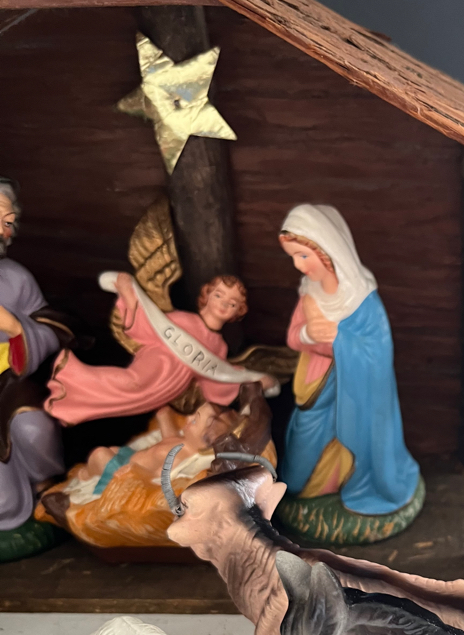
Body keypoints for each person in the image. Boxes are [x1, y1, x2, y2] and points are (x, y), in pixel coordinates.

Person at [278, 204, 420, 517]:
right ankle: (309, 488)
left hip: (355, 397)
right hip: (313, 393)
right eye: (293, 257)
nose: (299, 266)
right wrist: (308, 334)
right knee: (296, 475)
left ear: (326, 251)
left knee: (351, 443)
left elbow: (378, 351)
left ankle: (353, 482)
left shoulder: (361, 299)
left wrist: (338, 340)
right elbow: (293, 337)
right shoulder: (309, 293)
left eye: (303, 256)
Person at [45, 273, 278, 425]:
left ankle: (71, 406)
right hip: (158, 362)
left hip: (170, 386)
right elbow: (147, 325)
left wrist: (251, 379)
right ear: (206, 296)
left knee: (124, 403)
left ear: (238, 312)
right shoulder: (183, 320)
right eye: (219, 295)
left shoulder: (219, 346)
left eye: (232, 303)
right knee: (130, 382)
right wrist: (129, 294)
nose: (224, 304)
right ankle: (70, 375)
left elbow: (216, 380)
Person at [0, 177, 74, 532]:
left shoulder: (16, 278)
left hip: (8, 380)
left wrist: (17, 328)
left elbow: (53, 327)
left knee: (34, 427)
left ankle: (42, 485)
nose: (1, 231)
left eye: (8, 222)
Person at [77, 401, 239, 493]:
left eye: (195, 421)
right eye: (194, 414)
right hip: (130, 456)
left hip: (124, 469)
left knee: (100, 454)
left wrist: (133, 472)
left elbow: (156, 477)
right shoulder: (184, 441)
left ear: (204, 442)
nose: (188, 418)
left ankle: (86, 477)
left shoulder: (180, 457)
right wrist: (164, 417)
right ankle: (90, 472)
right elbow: (169, 438)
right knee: (112, 450)